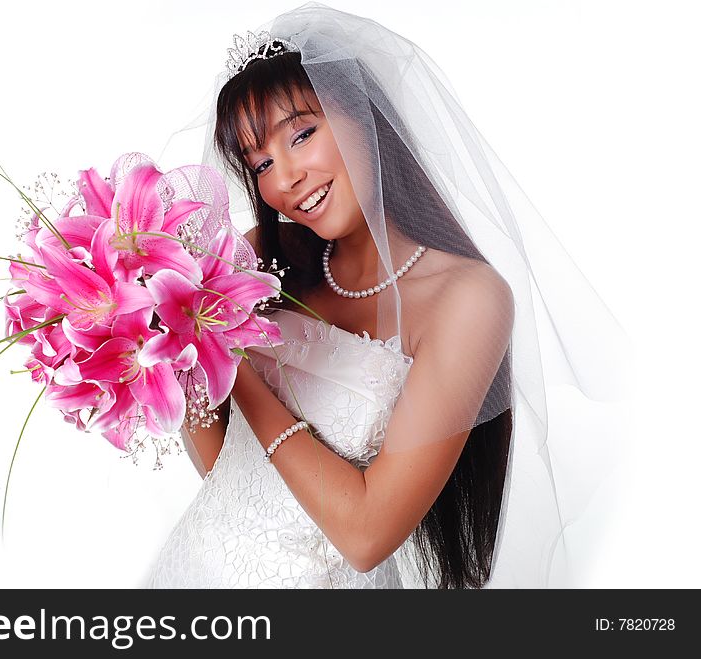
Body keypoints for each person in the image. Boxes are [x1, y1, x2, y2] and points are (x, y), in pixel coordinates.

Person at [144, 2, 629, 588]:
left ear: (368, 118)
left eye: (301, 134)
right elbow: (226, 470)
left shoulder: (468, 299)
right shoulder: (262, 258)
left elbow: (366, 536)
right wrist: (169, 346)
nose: (286, 178)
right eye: (262, 162)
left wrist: (227, 356)